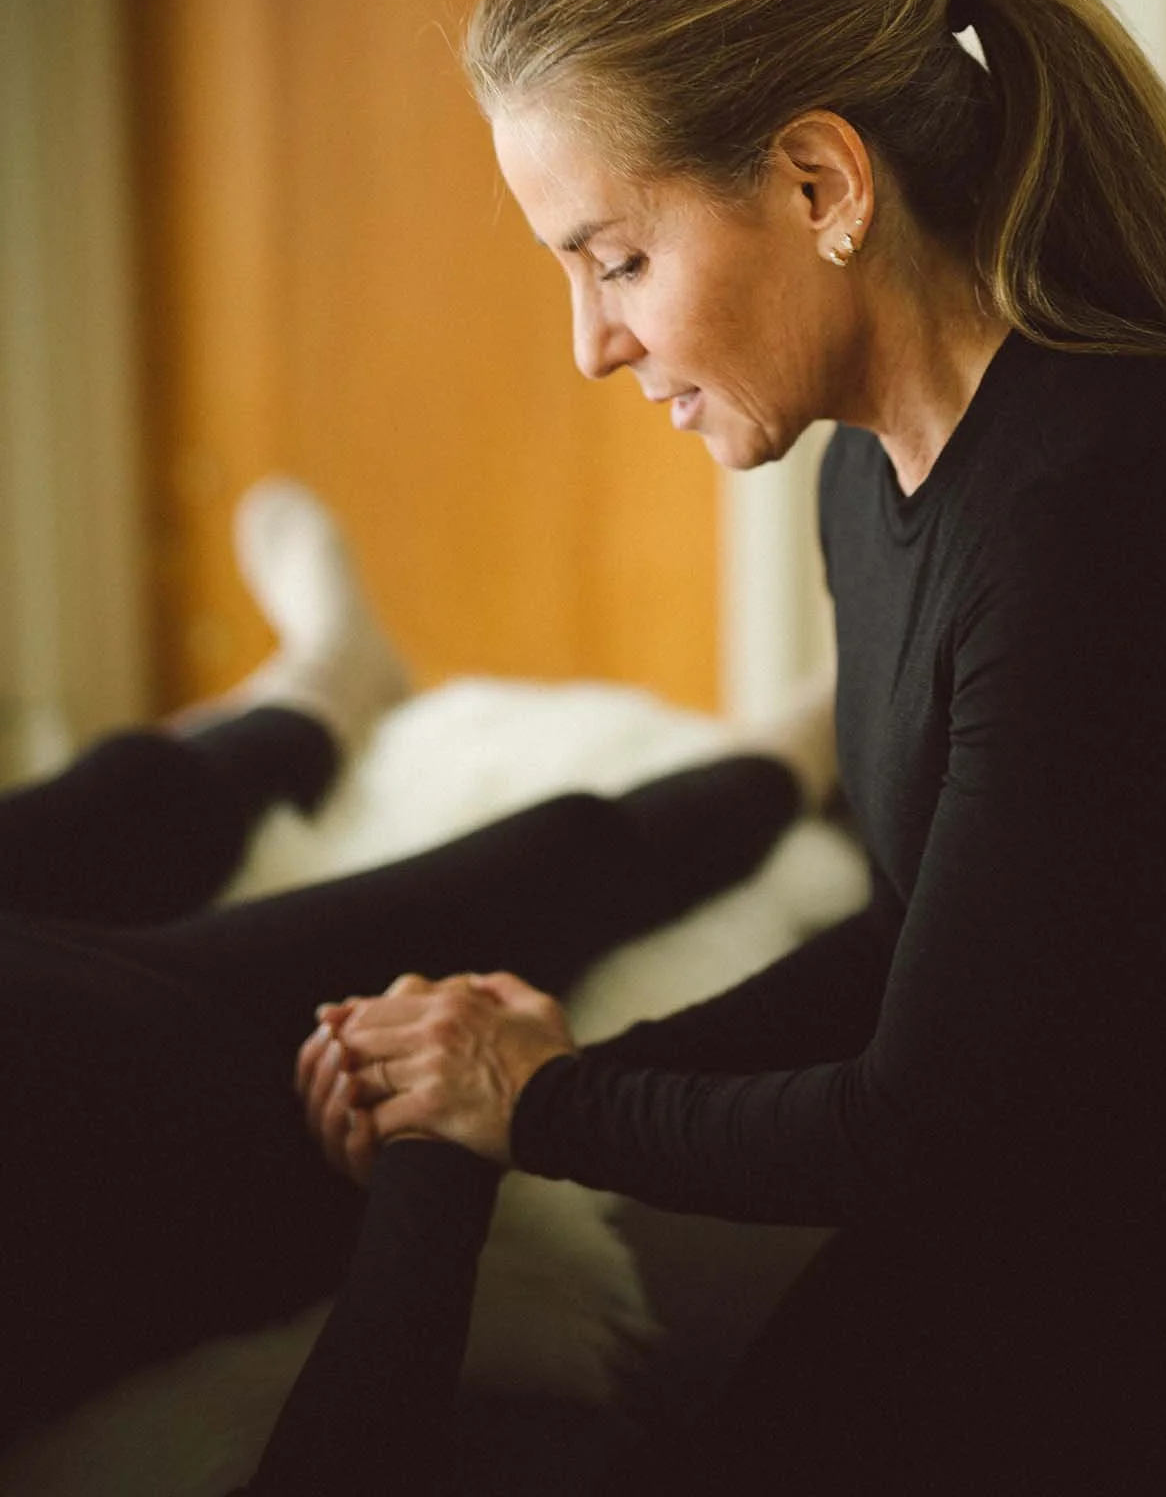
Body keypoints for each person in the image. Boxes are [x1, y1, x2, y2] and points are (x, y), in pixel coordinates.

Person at [289, 0, 1166, 1494]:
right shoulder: (877, 469)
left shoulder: (1113, 500)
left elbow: (932, 1118)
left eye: (614, 259)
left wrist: (535, 1108)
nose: (589, 345)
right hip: (1041, 1246)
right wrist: (553, 1080)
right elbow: (923, 938)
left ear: (824, 183)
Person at [0, 478, 830, 1479]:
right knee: (526, 870)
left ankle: (325, 681)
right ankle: (802, 747)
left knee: (117, 801)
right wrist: (434, 1173)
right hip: (118, 1107)